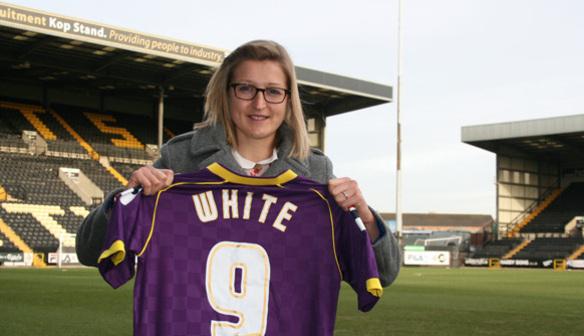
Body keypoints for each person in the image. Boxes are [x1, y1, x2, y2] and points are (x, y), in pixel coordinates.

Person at [76, 39, 400, 287]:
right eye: (246, 88)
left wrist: (366, 216)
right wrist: (127, 198)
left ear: (288, 101)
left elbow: (383, 274)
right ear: (226, 93)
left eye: (273, 91)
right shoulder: (180, 161)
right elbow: (89, 252)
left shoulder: (316, 174)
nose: (259, 103)